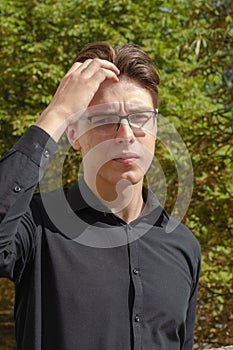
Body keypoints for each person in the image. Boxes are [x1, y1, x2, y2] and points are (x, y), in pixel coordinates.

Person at [0, 42, 201, 350]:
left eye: (140, 117)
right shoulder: (37, 224)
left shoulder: (183, 245)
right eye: (105, 119)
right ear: (73, 134)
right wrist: (58, 112)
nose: (126, 134)